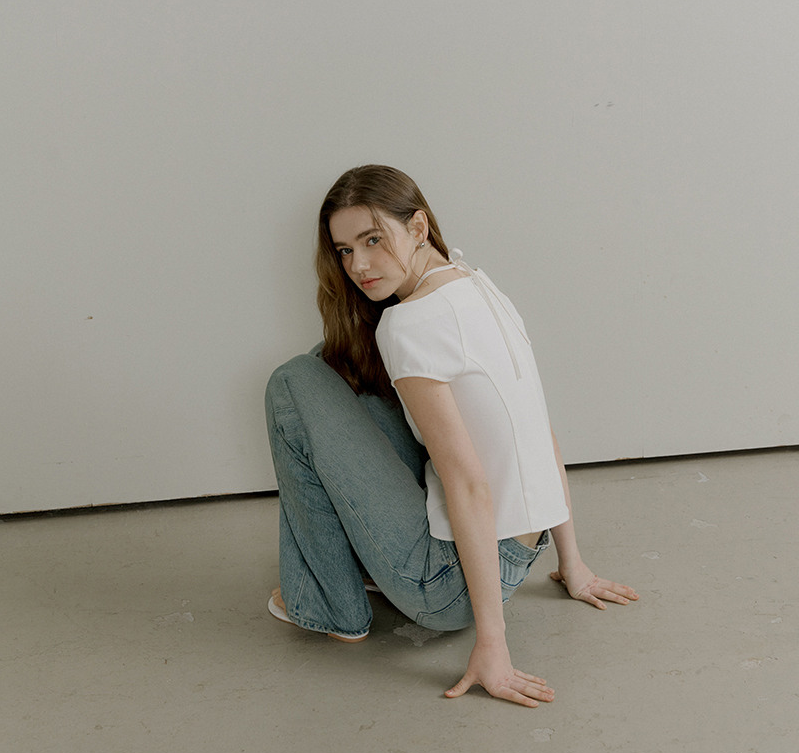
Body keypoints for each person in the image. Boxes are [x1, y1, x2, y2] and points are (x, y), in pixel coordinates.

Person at [265, 162, 637, 702]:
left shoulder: (408, 325)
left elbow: (467, 484)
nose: (358, 266)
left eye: (373, 240)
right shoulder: (477, 284)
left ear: (418, 227)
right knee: (330, 362)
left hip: (444, 586)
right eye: (344, 250)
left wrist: (493, 644)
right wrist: (572, 564)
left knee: (293, 382)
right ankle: (359, 566)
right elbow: (537, 431)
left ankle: (327, 604)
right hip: (517, 552)